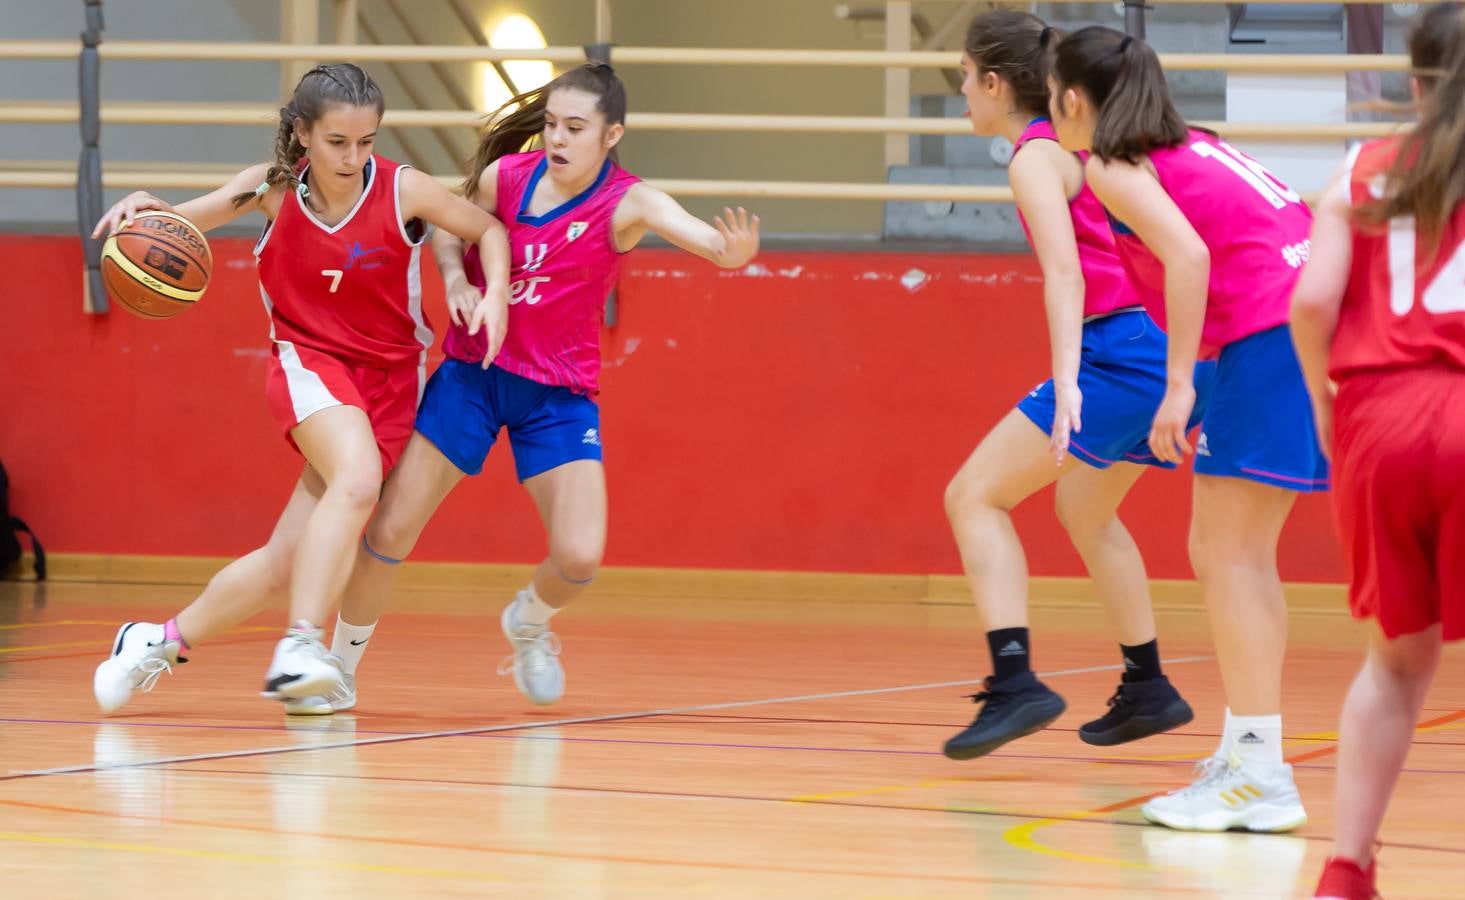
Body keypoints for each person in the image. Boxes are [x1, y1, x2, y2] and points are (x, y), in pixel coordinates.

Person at [296, 63, 760, 714]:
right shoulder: (504, 178)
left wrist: (726, 252)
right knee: (390, 532)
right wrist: (456, 282)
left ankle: (529, 623)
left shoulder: (629, 201)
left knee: (578, 556)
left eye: (575, 128)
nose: (557, 140)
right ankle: (338, 670)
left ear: (610, 134)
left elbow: (704, 238)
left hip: (557, 395)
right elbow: (453, 236)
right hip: (472, 376)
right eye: (549, 125)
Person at [91, 63, 510, 712]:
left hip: (393, 381)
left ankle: (152, 641)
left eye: (366, 141)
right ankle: (302, 646)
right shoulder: (268, 190)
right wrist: (143, 207)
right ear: (302, 135)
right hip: (311, 363)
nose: (353, 156)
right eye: (338, 141)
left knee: (287, 560)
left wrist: (483, 292)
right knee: (358, 479)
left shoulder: (405, 190)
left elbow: (488, 229)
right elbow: (176, 225)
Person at [1048, 27, 1328, 832]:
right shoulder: (1195, 146)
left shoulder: (1110, 166)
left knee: (1224, 553)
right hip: (1297, 328)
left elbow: (1191, 259)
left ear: (1072, 101)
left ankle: (1259, 777)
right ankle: (1251, 755)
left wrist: (1176, 387)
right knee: (1240, 555)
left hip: (1270, 339)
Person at [941, 11, 1203, 762]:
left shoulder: (1032, 155)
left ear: (995, 83)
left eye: (963, 75)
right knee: (1083, 507)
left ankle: (1014, 680)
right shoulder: (1083, 141)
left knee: (972, 496)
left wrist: (1063, 378)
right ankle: (1147, 684)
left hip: (1115, 350)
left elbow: (1065, 272)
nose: (960, 90)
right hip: (1160, 348)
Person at [1290, 6, 1465, 897]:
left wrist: (1330, 401)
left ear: (1412, 83)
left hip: (1378, 420)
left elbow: (1312, 301)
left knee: (1395, 661)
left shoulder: (1360, 168)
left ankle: (1345, 868)